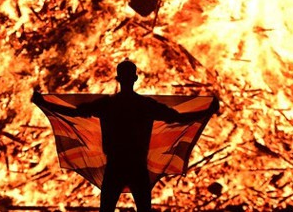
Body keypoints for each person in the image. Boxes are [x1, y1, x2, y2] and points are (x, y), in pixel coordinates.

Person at [32, 60, 219, 212]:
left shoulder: (107, 104)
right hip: (137, 166)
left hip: (116, 165)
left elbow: (74, 113)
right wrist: (205, 112)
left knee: (107, 209)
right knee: (143, 209)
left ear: (118, 78)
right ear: (135, 78)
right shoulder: (145, 105)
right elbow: (177, 119)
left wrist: (45, 104)